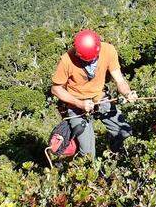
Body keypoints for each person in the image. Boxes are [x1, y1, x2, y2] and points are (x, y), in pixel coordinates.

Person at [50, 29, 138, 158]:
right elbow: (56, 89)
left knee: (125, 132)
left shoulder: (108, 51)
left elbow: (119, 80)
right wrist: (80, 104)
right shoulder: (67, 60)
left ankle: (112, 153)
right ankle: (83, 171)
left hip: (99, 98)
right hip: (76, 105)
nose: (89, 63)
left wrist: (127, 93)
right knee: (88, 154)